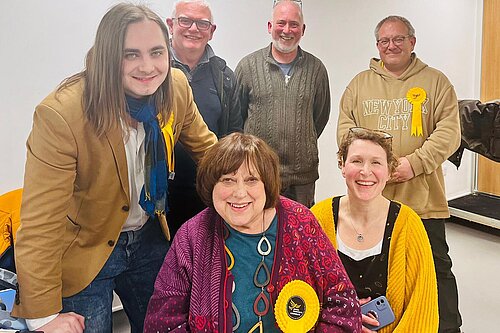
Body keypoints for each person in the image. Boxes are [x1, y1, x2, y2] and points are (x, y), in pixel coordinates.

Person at [12, 3, 217, 333]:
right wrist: (44, 318)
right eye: (130, 54)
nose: (147, 66)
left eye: (156, 52)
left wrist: (251, 187)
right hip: (85, 245)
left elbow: (211, 152)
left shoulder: (175, 88)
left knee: (173, 324)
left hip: (149, 234)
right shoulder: (62, 114)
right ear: (108, 56)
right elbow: (40, 223)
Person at [144, 133, 361, 333]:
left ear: (267, 185)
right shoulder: (192, 236)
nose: (239, 193)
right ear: (211, 185)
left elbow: (342, 302)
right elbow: (162, 322)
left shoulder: (302, 223)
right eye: (227, 180)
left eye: (251, 180)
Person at [337, 15, 462, 333]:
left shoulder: (435, 82)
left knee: (436, 268)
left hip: (423, 201)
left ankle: (447, 327)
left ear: (412, 42)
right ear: (377, 45)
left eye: (398, 39)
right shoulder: (359, 85)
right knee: (383, 272)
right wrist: (371, 167)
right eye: (384, 41)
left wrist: (414, 164)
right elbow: (345, 133)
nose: (391, 46)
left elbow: (449, 132)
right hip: (372, 202)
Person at [311, 127, 438, 332]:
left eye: (376, 162)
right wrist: (339, 319)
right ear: (342, 165)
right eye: (356, 161)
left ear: (389, 171)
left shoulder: (408, 225)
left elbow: (423, 307)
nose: (365, 171)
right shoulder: (318, 218)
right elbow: (300, 293)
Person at [235, 0, 330, 207]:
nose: (287, 30)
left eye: (294, 24)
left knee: (299, 236)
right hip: (257, 173)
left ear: (302, 30)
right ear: (270, 27)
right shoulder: (247, 67)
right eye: (281, 23)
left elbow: (319, 118)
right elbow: (237, 119)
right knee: (257, 231)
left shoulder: (316, 69)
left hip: (302, 179)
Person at [166, 0, 242, 237]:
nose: (193, 28)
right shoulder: (152, 71)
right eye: (185, 21)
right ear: (171, 25)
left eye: (202, 23)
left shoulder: (224, 77)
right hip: (158, 195)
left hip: (206, 191)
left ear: (212, 31)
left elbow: (232, 134)